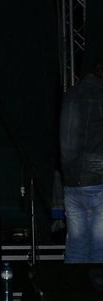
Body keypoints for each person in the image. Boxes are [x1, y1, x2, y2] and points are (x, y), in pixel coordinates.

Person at [60, 56, 103, 263]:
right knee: (99, 250)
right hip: (98, 180)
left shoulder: (72, 93)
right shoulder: (99, 95)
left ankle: (73, 285)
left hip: (72, 181)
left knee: (76, 249)